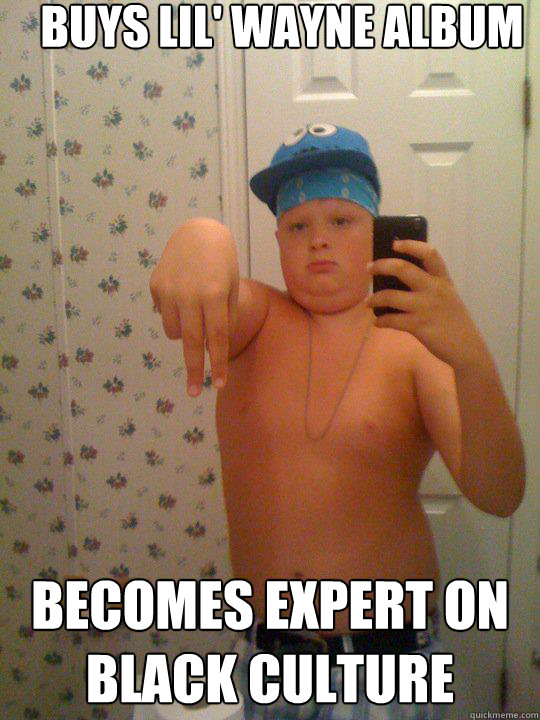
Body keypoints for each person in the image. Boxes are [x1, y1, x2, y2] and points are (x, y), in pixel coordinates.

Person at [149, 123, 525, 719]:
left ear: (376, 230)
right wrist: (202, 234)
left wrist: (471, 358)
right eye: (297, 225)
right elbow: (196, 295)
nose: (318, 240)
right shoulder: (255, 321)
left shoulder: (414, 344)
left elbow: (500, 493)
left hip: (386, 668)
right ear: (278, 239)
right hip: (267, 664)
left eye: (342, 220)